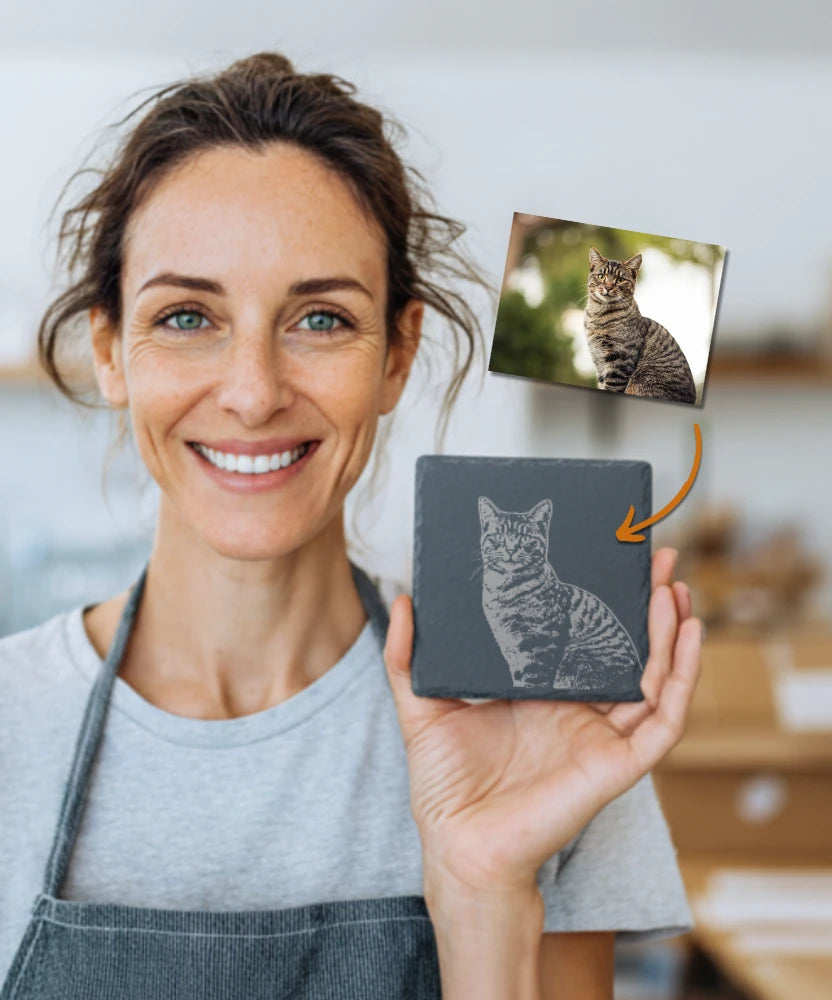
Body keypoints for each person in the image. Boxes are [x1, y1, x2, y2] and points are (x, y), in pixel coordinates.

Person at [0, 52, 702, 999]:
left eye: (322, 319)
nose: (252, 393)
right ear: (109, 351)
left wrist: (485, 889)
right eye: (185, 317)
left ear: (397, 356)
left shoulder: (539, 710)